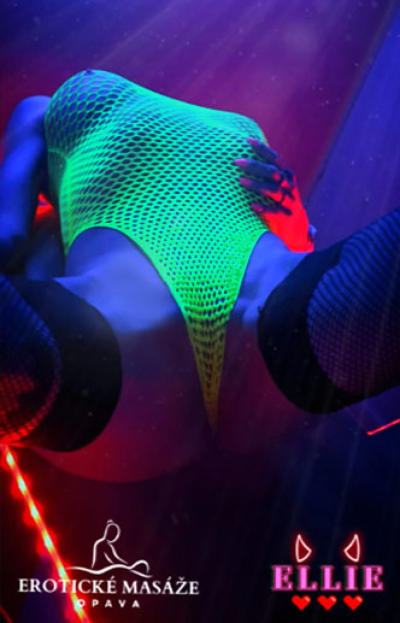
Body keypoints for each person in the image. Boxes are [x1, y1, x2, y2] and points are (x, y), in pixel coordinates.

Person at [0, 69, 399, 482]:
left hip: (142, 341)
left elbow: (8, 236)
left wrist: (295, 226)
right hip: (253, 320)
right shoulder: (40, 112)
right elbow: (7, 233)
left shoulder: (49, 115)